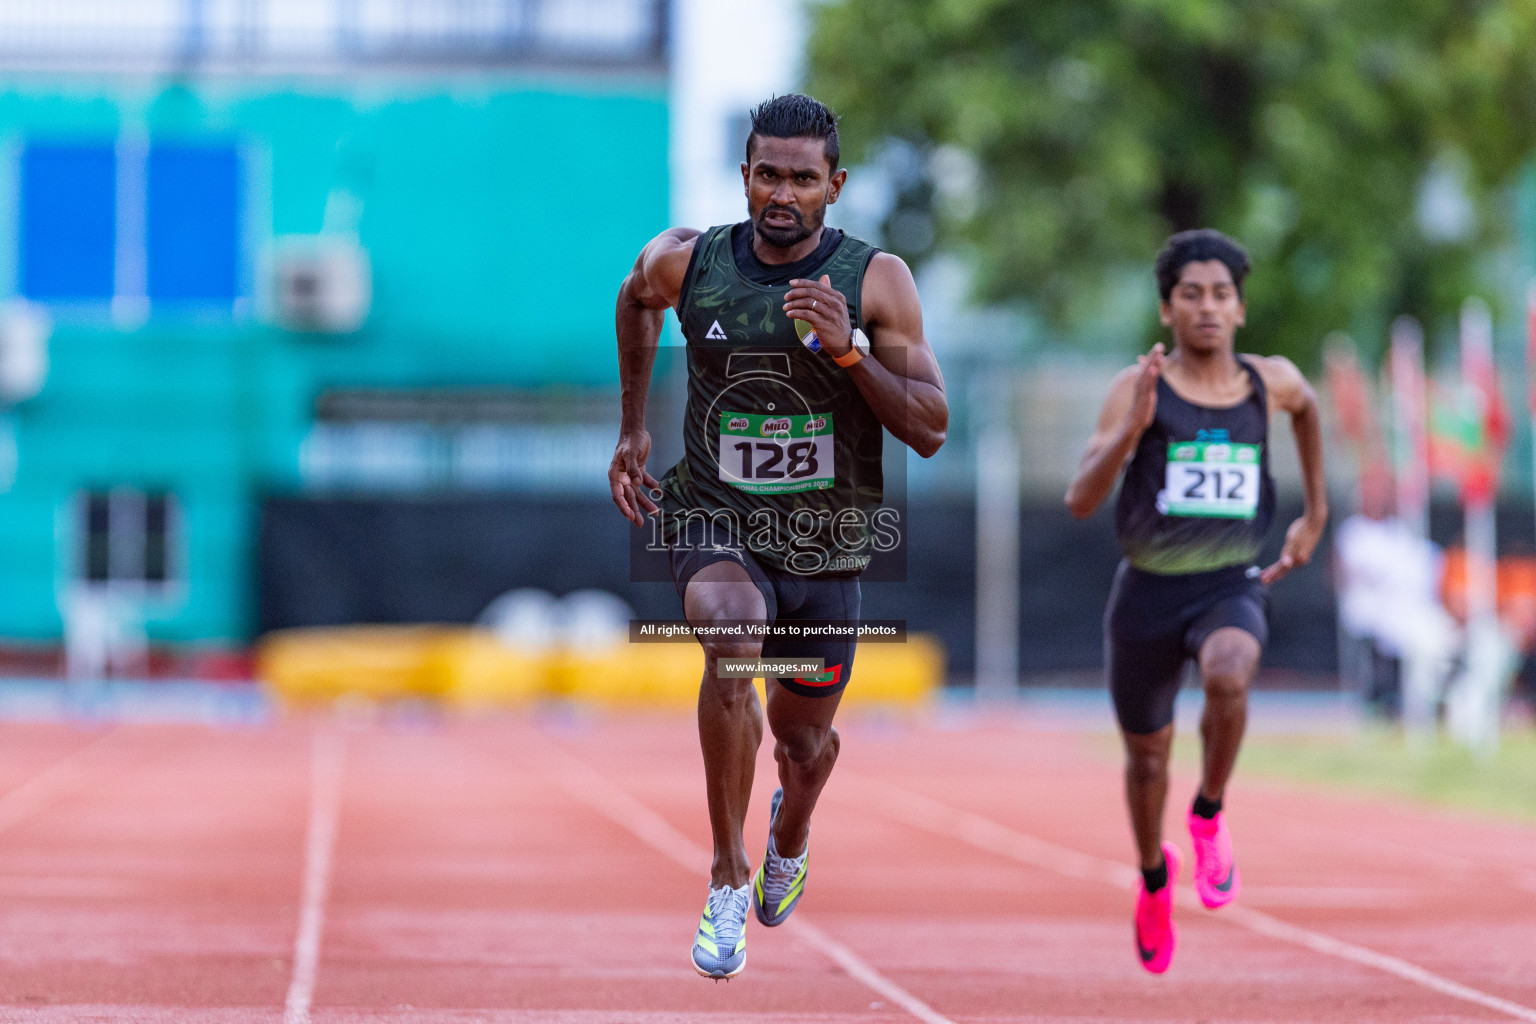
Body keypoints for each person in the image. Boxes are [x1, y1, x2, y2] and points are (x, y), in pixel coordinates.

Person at [608, 93, 947, 980]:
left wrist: (849, 354)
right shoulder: (688, 263)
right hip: (712, 513)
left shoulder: (878, 282)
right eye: (769, 175)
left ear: (834, 185)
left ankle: (789, 831)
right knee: (729, 639)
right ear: (746, 177)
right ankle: (726, 878)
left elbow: (932, 426)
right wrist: (633, 429)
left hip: (825, 542)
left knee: (803, 744)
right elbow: (634, 300)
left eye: (804, 178)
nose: (783, 193)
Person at [1064, 229, 1327, 974]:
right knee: (1146, 762)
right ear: (1166, 308)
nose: (1207, 307)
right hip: (1147, 593)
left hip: (1230, 584)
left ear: (1240, 309)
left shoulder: (1268, 382)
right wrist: (1131, 430)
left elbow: (1307, 410)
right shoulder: (1135, 386)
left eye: (1220, 294)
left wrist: (1314, 515)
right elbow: (1081, 500)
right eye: (1191, 294)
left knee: (1230, 670)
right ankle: (1153, 876)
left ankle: (1208, 812)